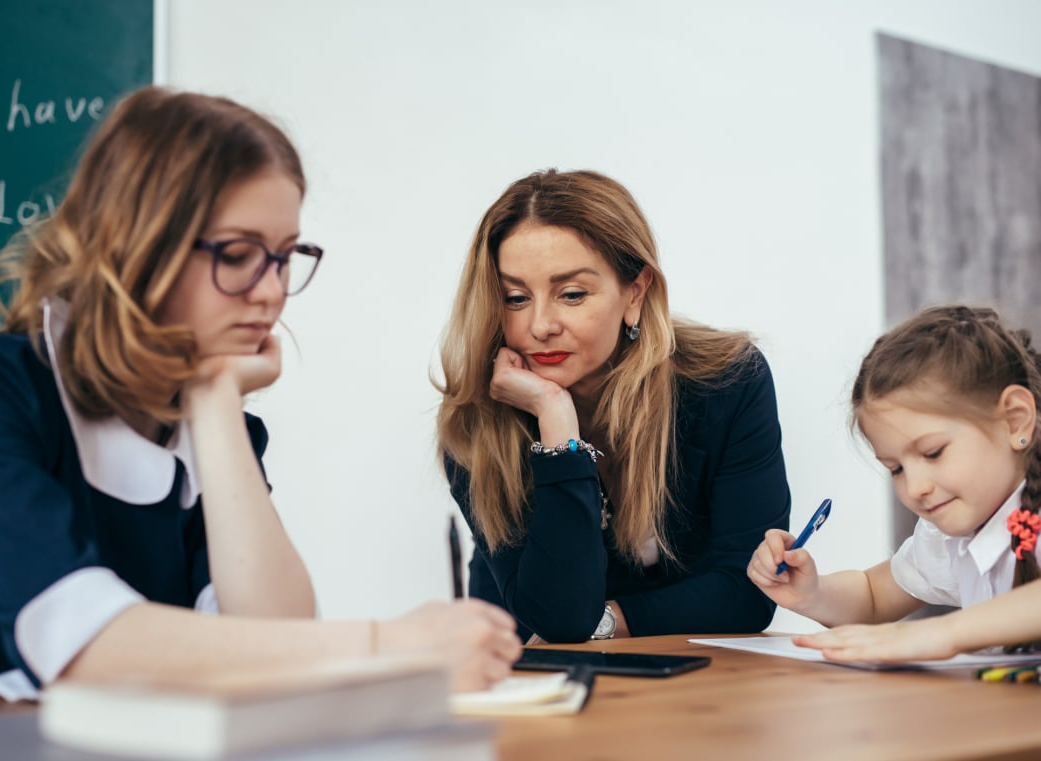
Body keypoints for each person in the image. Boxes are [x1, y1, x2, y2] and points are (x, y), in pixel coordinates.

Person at [0, 86, 520, 700]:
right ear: (140, 248)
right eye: (239, 254)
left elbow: (271, 639)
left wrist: (217, 400)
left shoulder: (218, 427)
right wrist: (388, 646)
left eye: (283, 257)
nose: (271, 292)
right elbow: (85, 648)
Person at [435, 169, 791, 643]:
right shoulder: (475, 425)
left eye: (572, 294)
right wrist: (555, 421)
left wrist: (603, 623)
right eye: (515, 298)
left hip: (700, 681)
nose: (541, 325)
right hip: (534, 682)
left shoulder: (725, 381)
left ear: (635, 293)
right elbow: (559, 618)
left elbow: (748, 593)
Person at [748, 304, 1041, 661]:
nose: (915, 487)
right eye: (896, 469)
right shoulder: (948, 539)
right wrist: (811, 593)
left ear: (1015, 420)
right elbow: (874, 596)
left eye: (933, 453)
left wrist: (945, 633)